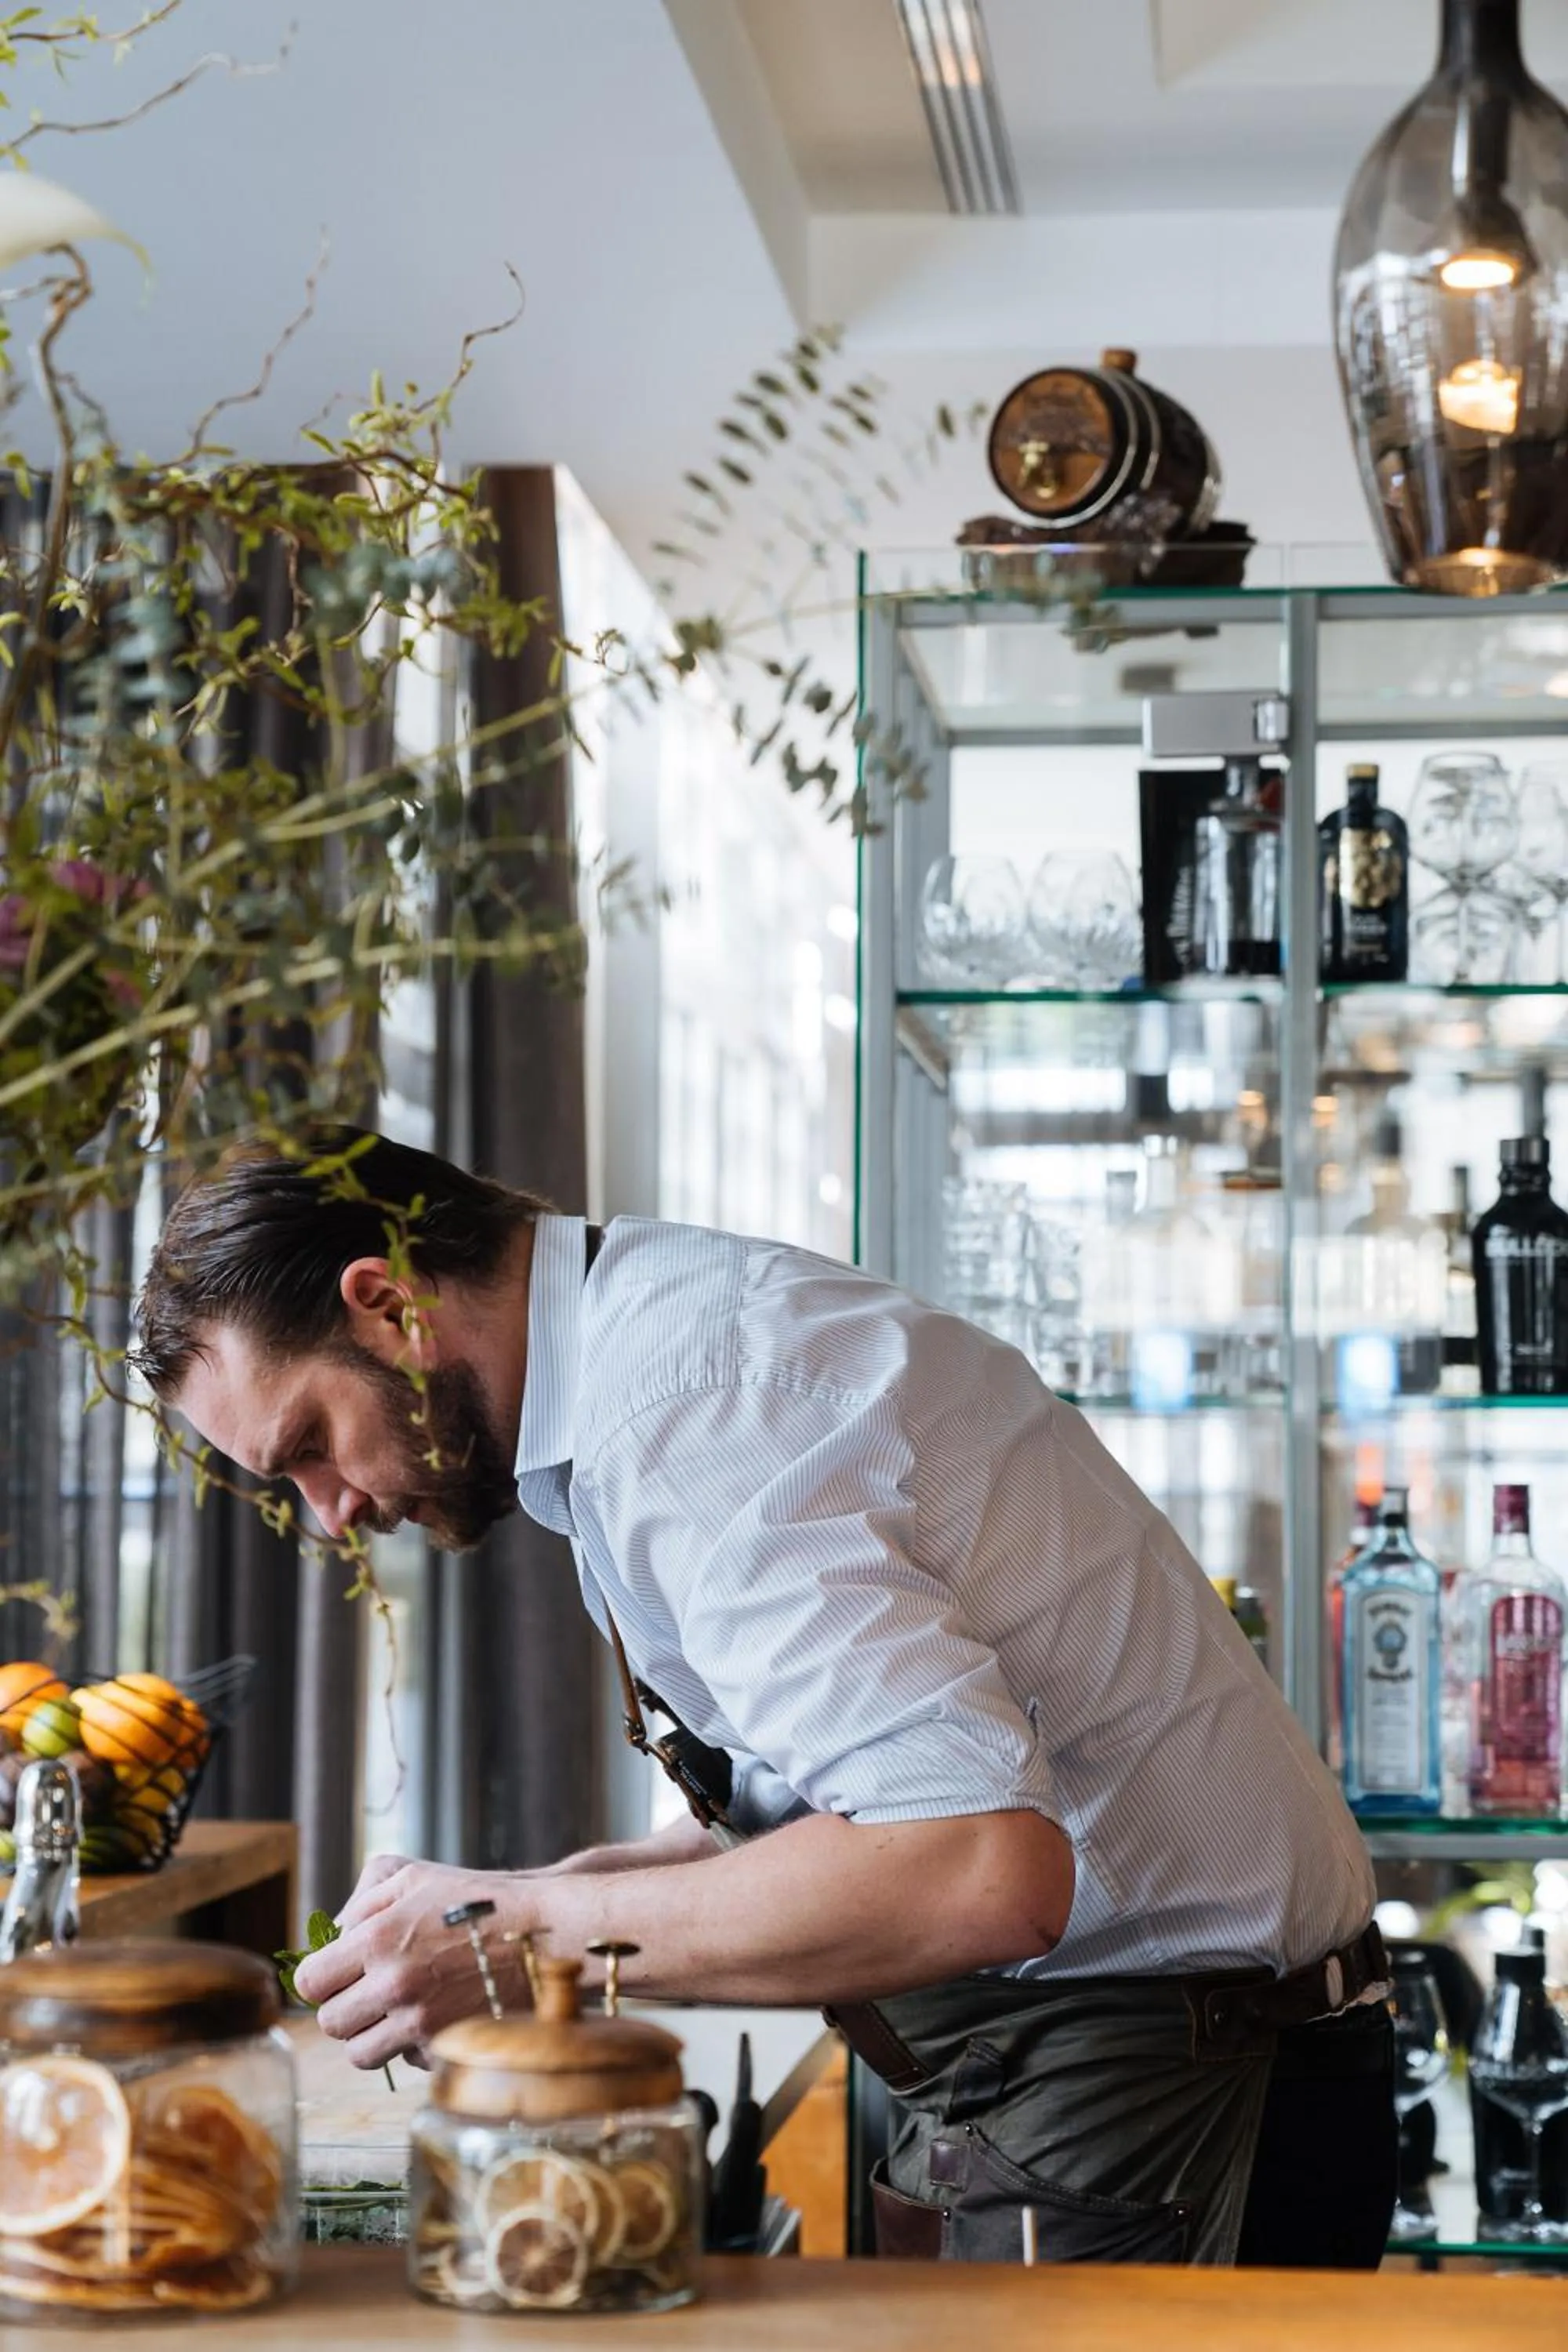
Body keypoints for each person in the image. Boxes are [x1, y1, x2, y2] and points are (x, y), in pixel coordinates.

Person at [132, 1127, 1396, 2268]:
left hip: (1180, 2087)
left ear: (390, 1304)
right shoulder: (653, 1345)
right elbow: (850, 1794)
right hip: (1119, 2067)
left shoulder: (691, 1412)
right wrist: (543, 1898)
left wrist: (513, 1940)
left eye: (310, 1445)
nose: (332, 1513)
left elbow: (976, 1864)